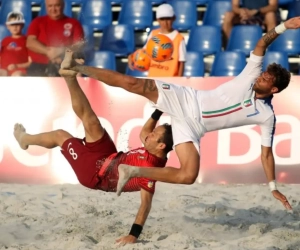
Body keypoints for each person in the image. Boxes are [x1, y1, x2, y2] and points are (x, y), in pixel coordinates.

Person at [60, 17, 300, 211]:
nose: (261, 77)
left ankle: (134, 171)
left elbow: (266, 154)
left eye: (266, 79)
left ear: (274, 89)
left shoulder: (267, 116)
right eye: (263, 74)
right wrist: (283, 26)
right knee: (133, 84)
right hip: (187, 98)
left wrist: (272, 186)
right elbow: (261, 44)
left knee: (188, 175)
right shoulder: (252, 73)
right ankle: (76, 67)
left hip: (193, 126)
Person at [13, 67, 173, 245]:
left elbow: (145, 204)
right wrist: (159, 109)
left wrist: (133, 235)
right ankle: (69, 76)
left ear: (161, 145)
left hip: (95, 173)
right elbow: (145, 130)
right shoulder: (152, 146)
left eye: (154, 135)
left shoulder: (150, 170)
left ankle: (24, 139)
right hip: (109, 155)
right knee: (91, 120)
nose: (149, 134)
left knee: (60, 135)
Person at [26, 0, 84, 76]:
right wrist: (48, 52)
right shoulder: (37, 22)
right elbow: (30, 42)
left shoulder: (74, 23)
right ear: (46, 6)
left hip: (64, 64)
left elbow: (79, 45)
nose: (53, 9)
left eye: (57, 5)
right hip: (39, 65)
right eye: (50, 6)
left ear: (63, 5)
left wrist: (61, 50)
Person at [128, 3, 186, 77]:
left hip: (170, 81)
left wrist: (179, 81)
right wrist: (132, 57)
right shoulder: (153, 34)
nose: (165, 22)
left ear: (173, 18)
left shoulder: (179, 38)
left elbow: (181, 62)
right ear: (157, 19)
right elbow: (144, 52)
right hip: (153, 78)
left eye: (168, 18)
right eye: (162, 19)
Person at [0, 12, 31, 76]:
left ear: (22, 25)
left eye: (17, 24)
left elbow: (30, 62)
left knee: (17, 76)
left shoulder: (27, 40)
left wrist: (17, 66)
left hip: (19, 70)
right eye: (12, 24)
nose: (15, 27)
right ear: (7, 26)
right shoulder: (5, 40)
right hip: (4, 69)